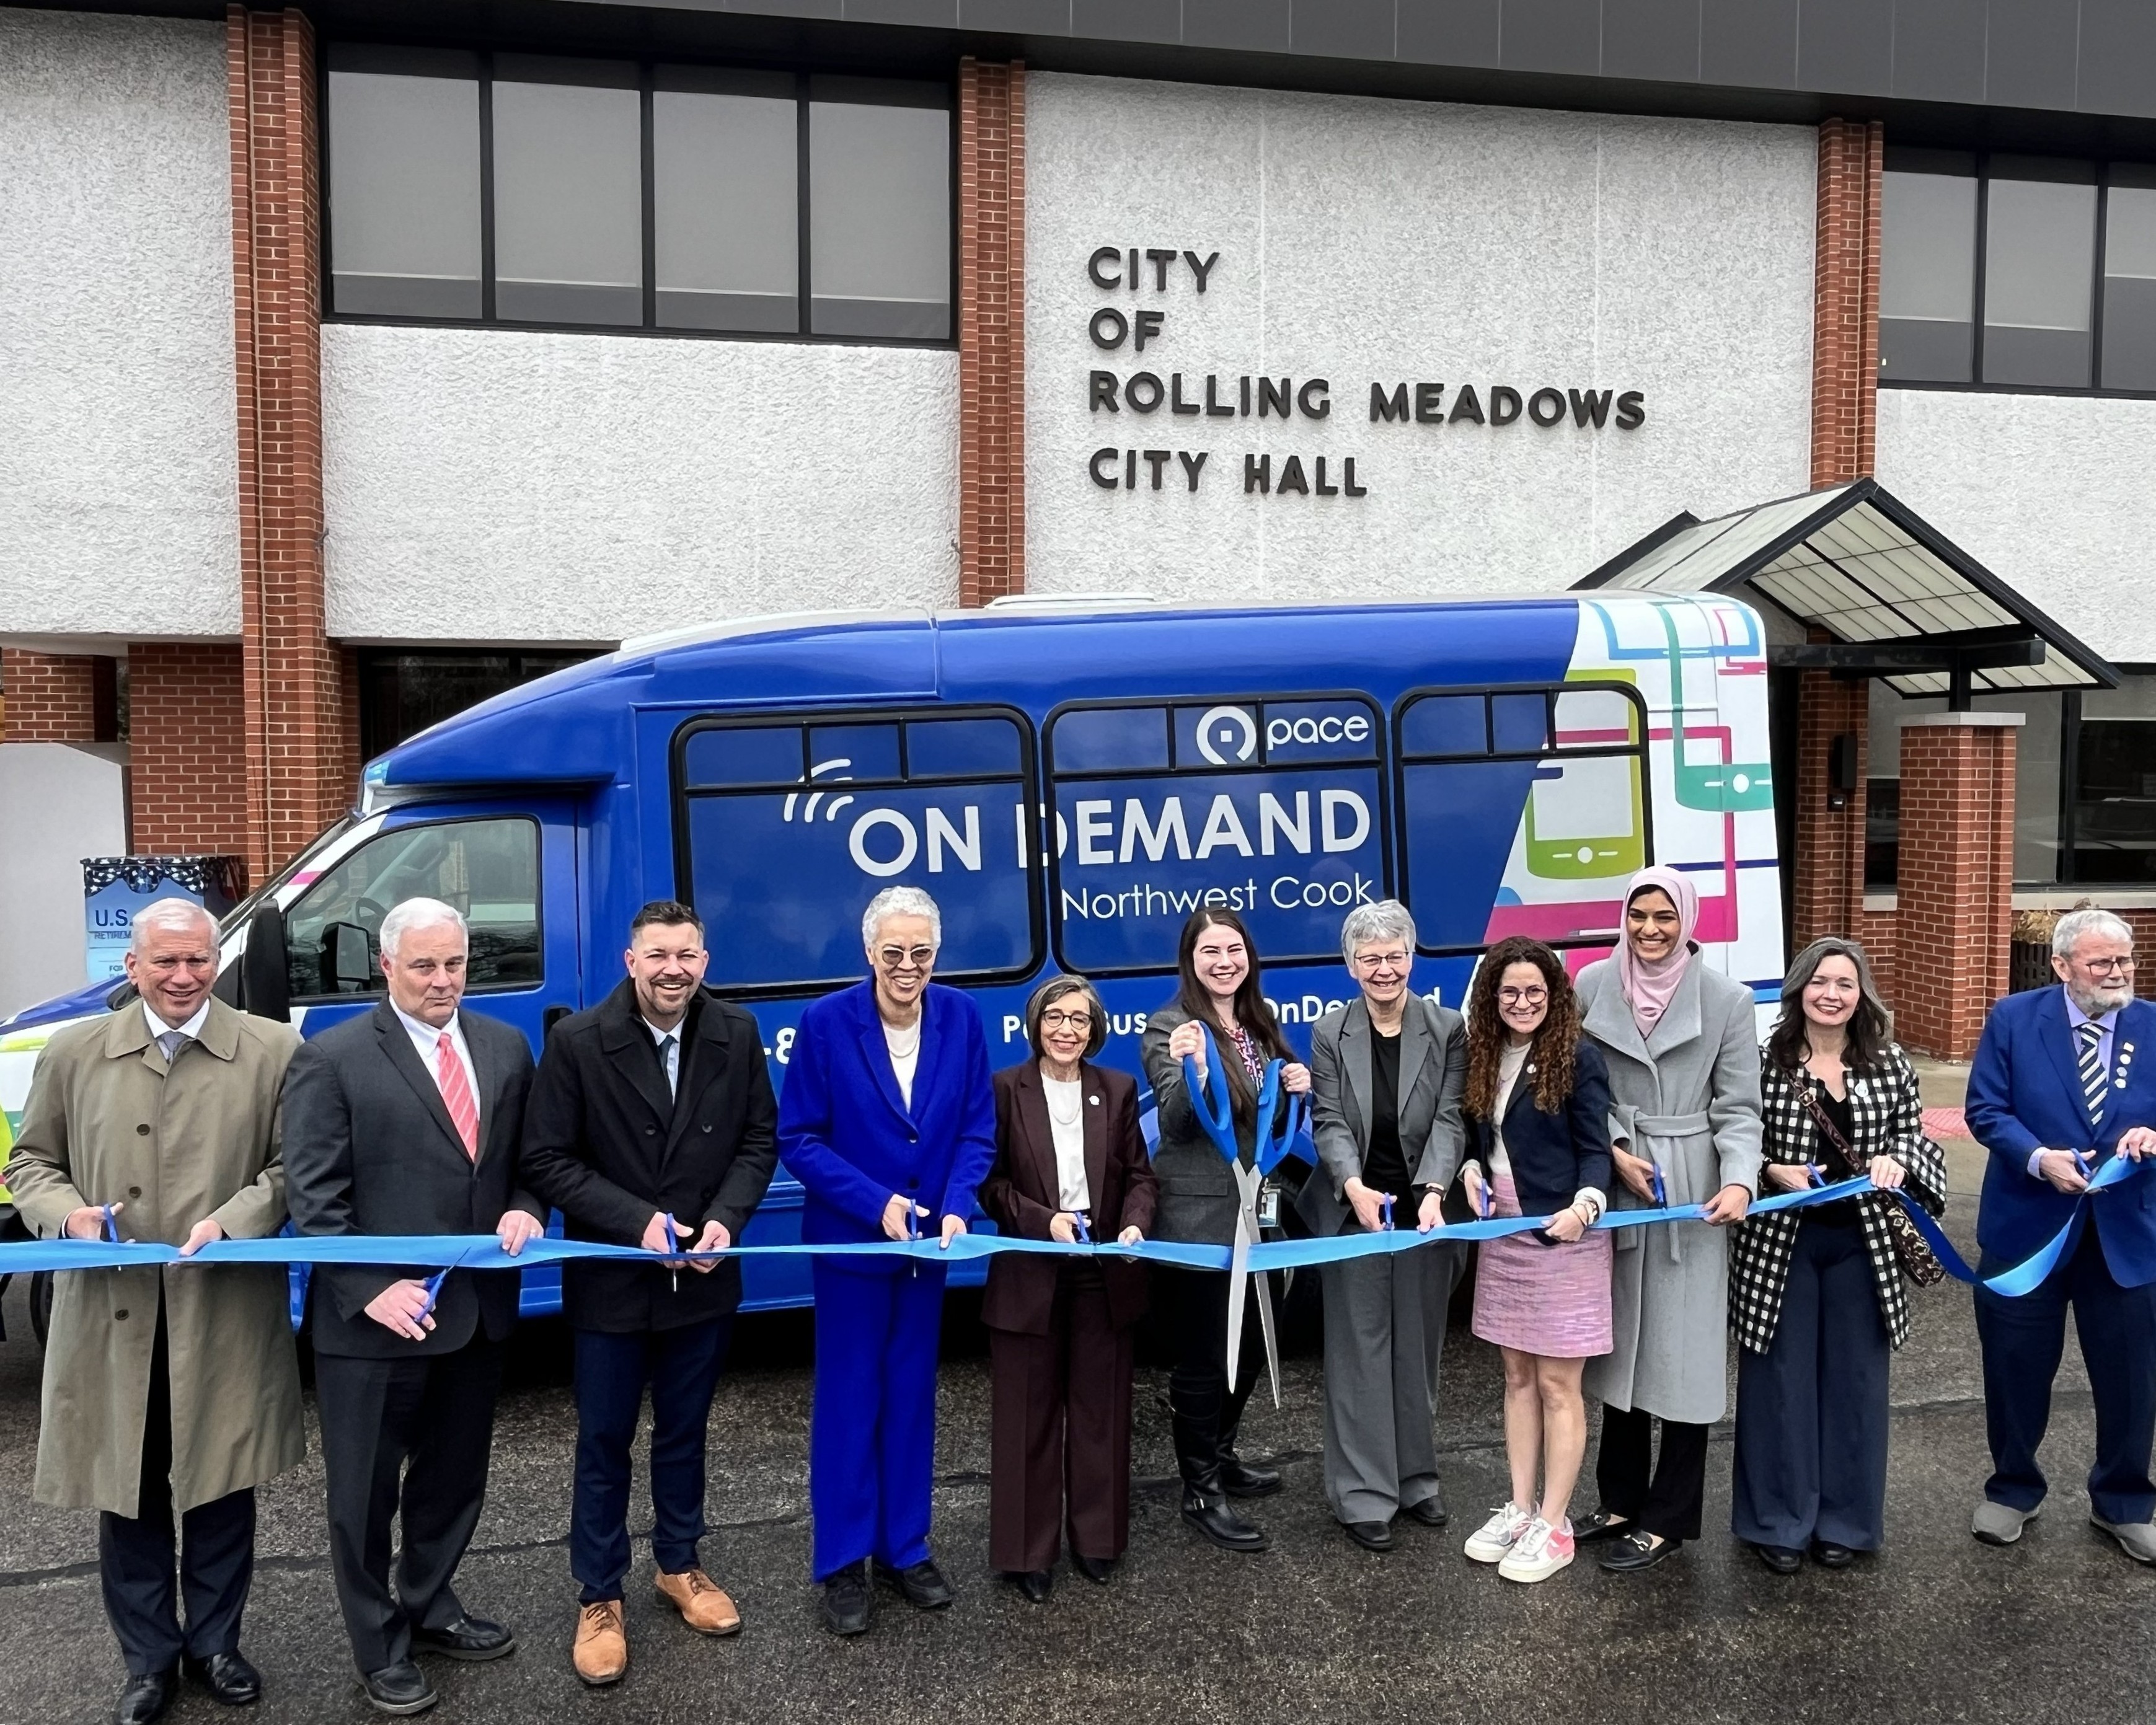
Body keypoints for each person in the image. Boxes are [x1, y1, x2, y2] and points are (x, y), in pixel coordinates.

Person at [6, 899, 303, 1725]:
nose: (182, 977)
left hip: (223, 1308)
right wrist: (68, 1215)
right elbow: (31, 1161)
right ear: (133, 966)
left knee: (220, 1484)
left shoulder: (272, 1049)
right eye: (165, 962)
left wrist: (235, 1220)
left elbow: (291, 1166)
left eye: (198, 960)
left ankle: (215, 1644)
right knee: (127, 1490)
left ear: (218, 960)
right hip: (113, 1314)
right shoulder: (73, 1052)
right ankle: (147, 1659)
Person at [283, 897, 546, 1716]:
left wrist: (529, 1206)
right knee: (362, 1495)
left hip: (475, 1312)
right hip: (373, 1324)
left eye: (455, 963)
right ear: (387, 966)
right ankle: (378, 1642)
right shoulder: (331, 1058)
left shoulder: (506, 1046)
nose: (442, 980)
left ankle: (430, 1602)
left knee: (452, 1479)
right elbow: (313, 1198)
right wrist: (369, 1289)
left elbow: (531, 1158)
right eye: (424, 964)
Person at [519, 901, 779, 1683]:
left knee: (684, 1432)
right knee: (603, 1440)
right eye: (658, 954)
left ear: (705, 961)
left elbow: (757, 1140)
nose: (674, 969)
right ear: (631, 961)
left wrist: (724, 1221)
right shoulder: (576, 1042)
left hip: (702, 1278)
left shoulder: (736, 1033)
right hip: (613, 1282)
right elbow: (546, 1157)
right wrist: (639, 1222)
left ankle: (678, 1563)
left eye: (687, 955)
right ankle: (600, 1595)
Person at [777, 886, 996, 1636]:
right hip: (852, 1247)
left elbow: (975, 1129)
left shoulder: (961, 1017)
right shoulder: (826, 1022)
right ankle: (842, 1560)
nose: (908, 966)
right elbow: (799, 1138)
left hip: (928, 1249)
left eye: (922, 952)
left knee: (911, 1398)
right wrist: (876, 1203)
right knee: (848, 1403)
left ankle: (905, 1546)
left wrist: (961, 1200)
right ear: (869, 951)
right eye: (894, 951)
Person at [1731, 938, 1948, 1572]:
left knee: (1855, 1383)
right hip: (1781, 1243)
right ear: (1798, 988)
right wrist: (1768, 1168)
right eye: (1819, 981)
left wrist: (1899, 1158)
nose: (1831, 993)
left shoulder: (1888, 1060)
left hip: (1864, 1244)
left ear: (1861, 994)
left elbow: (1912, 1129)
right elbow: (1737, 1131)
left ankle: (1845, 1524)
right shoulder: (1762, 1060)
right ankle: (1777, 1520)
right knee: (1778, 1382)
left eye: (1844, 983)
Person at [1575, 865, 1763, 1573]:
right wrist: (1615, 1147)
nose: (1649, 929)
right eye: (1637, 914)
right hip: (1619, 1187)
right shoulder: (1592, 983)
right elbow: (1573, 1083)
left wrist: (1739, 1180)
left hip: (1690, 1191)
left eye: (1663, 916)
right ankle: (1620, 1499)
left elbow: (1738, 1107)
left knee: (1683, 1359)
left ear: (1687, 919)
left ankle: (1669, 1515)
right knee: (1621, 1351)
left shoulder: (1726, 998)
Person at [1964, 906, 2156, 1561]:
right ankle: (2013, 1487)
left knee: (2131, 1376)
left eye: (2124, 960)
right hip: (2027, 1229)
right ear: (2062, 964)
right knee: (2015, 1367)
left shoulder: (2152, 1025)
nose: (2117, 973)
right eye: (2101, 962)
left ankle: (2124, 1501)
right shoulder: (2014, 1019)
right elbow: (1985, 1109)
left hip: (2126, 1237)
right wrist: (2036, 1156)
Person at [978, 975, 1157, 1600]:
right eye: (1055, 1017)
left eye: (1079, 1019)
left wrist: (1135, 1223)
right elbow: (990, 1183)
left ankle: (1097, 1540)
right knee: (1027, 1415)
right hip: (1030, 1268)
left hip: (1102, 1271)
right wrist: (1041, 1219)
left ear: (1095, 1029)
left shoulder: (1117, 1088)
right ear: (1035, 1024)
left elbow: (1139, 1173)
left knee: (1098, 1412)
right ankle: (1028, 1553)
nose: (1066, 1029)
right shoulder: (1005, 1088)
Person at [1298, 899, 1469, 1551]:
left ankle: (1417, 1479)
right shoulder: (1329, 1030)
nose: (1384, 968)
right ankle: (1363, 1493)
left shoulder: (1446, 1026)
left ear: (1411, 957)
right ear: (1350, 965)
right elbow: (1329, 1118)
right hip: (1353, 1210)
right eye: (1370, 958)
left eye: (1394, 955)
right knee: (1359, 1353)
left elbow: (1452, 1117)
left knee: (1416, 1350)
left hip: (1425, 1209)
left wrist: (1432, 1191)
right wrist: (1352, 1186)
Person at [1140, 908, 1310, 1555]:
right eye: (1209, 950)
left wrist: (1298, 1082)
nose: (1223, 961)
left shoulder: (1260, 1022)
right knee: (1206, 1357)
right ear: (1191, 958)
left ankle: (1223, 1450)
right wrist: (1195, 1071)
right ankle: (1201, 1488)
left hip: (1257, 1213)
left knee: (1254, 1343)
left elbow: (1273, 1118)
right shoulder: (1169, 1026)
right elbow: (1179, 1122)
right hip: (1196, 1220)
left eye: (1233, 949)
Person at [1454, 937, 1615, 1583]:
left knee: (1557, 1383)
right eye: (1510, 991)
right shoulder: (1484, 1054)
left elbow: (1595, 1147)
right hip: (1504, 1227)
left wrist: (1585, 1204)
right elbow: (1477, 1135)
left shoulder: (1577, 1055)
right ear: (1492, 997)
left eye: (1534, 992)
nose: (1522, 1002)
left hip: (1562, 1231)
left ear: (1554, 996)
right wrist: (1469, 1165)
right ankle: (1519, 1507)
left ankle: (1555, 1522)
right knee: (1516, 1376)